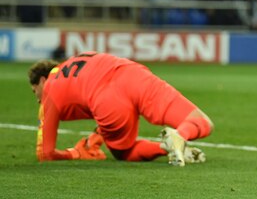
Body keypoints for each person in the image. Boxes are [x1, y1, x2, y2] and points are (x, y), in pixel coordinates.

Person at [28, 52, 213, 165]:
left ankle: (164, 146)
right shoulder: (78, 59)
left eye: (34, 90)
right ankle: (179, 136)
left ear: (43, 81)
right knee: (202, 121)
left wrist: (75, 153)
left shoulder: (51, 89)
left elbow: (45, 154)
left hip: (107, 98)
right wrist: (97, 135)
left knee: (123, 151)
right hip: (135, 74)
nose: (37, 98)